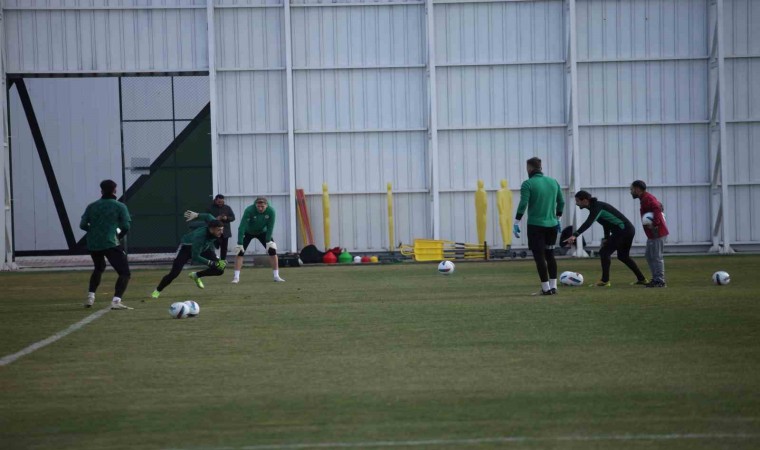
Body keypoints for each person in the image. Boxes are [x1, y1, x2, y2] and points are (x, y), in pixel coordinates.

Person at [564, 190, 648, 287]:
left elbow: (588, 223)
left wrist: (575, 235)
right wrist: (606, 237)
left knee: (604, 252)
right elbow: (606, 223)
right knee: (623, 256)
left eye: (578, 201)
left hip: (623, 231)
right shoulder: (595, 207)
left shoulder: (596, 207)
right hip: (627, 230)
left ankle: (605, 281)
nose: (576, 203)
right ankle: (642, 279)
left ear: (585, 200)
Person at [513, 157, 564, 295]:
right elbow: (561, 202)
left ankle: (545, 289)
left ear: (529, 168)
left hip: (536, 226)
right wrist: (558, 218)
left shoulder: (528, 184)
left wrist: (517, 221)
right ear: (540, 167)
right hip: (552, 225)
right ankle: (554, 287)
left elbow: (523, 204)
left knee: (539, 256)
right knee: (550, 255)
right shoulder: (553, 182)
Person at [79, 179, 133, 310]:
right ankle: (116, 301)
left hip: (93, 243)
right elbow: (126, 226)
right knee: (124, 272)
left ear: (101, 191)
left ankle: (90, 297)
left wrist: (94, 231)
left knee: (99, 267)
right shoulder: (120, 206)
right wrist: (118, 236)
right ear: (115, 190)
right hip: (110, 242)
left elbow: (82, 225)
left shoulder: (92, 206)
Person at [150, 213, 227, 298]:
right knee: (174, 274)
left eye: (222, 229)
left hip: (204, 248)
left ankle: (196, 275)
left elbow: (208, 216)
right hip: (186, 249)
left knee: (220, 270)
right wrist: (211, 263)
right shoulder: (200, 237)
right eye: (219, 230)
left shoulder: (214, 223)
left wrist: (197, 215)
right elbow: (195, 256)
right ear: (212, 229)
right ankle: (158, 290)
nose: (221, 232)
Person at [233, 197, 284, 283]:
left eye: (262, 206)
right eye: (258, 206)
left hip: (262, 232)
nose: (260, 208)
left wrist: (268, 241)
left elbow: (270, 227)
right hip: (248, 232)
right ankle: (236, 277)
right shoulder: (249, 210)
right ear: (255, 205)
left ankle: (276, 276)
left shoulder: (271, 211)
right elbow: (242, 226)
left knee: (272, 251)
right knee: (239, 252)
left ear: (266, 205)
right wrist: (240, 242)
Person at [630, 180, 669, 287]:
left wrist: (655, 223)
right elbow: (658, 205)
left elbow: (657, 207)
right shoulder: (645, 198)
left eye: (632, 189)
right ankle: (656, 279)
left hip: (657, 232)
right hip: (652, 234)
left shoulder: (647, 198)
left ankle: (660, 281)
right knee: (649, 255)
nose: (631, 192)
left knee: (656, 256)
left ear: (637, 189)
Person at [206, 194, 235, 261]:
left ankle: (222, 261)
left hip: (225, 231)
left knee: (224, 247)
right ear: (215, 200)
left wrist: (226, 218)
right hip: (214, 231)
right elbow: (206, 219)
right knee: (213, 246)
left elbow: (233, 218)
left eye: (222, 202)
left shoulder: (227, 208)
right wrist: (215, 219)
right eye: (219, 202)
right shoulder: (209, 208)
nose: (220, 203)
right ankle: (213, 260)